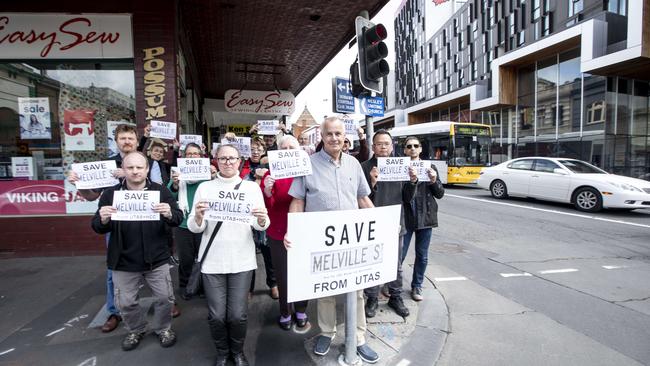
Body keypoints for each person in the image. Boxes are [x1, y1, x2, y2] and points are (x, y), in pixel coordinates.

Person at [286, 116, 379, 363]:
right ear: (322, 137)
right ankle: (327, 332)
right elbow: (297, 200)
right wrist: (292, 230)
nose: (334, 138)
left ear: (344, 136)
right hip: (321, 242)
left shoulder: (354, 165)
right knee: (324, 290)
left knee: (356, 291)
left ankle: (359, 338)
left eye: (338, 134)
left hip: (351, 241)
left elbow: (362, 199)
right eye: (329, 134)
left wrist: (380, 225)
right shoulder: (308, 164)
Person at [91, 152, 183, 351]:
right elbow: (97, 226)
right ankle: (136, 329)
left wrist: (168, 213)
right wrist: (103, 219)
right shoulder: (110, 194)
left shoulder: (160, 192)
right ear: (123, 170)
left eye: (139, 167)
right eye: (130, 167)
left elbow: (177, 218)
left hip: (156, 258)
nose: (135, 171)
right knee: (126, 303)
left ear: (147, 169)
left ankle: (163, 328)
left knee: (164, 298)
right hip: (123, 259)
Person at [188, 144, 270, 366]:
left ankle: (238, 352)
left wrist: (262, 219)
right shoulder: (205, 188)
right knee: (216, 315)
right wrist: (197, 217)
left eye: (232, 158)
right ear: (215, 160)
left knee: (237, 315)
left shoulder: (252, 189)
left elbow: (260, 224)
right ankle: (222, 352)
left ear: (240, 161)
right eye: (223, 158)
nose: (227, 162)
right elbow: (195, 227)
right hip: (212, 261)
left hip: (241, 261)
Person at [67, 123, 138, 333]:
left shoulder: (145, 161)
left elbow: (158, 189)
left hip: (145, 222)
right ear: (116, 141)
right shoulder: (105, 165)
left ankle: (166, 303)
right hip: (115, 224)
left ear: (136, 140)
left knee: (153, 267)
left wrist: (127, 175)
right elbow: (92, 196)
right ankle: (114, 311)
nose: (127, 142)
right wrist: (78, 184)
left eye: (130, 138)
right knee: (113, 268)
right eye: (122, 138)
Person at [362, 130, 417, 319]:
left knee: (396, 265)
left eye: (387, 143)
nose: (383, 147)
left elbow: (407, 198)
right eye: (379, 143)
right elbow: (359, 198)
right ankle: (372, 298)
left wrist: (413, 181)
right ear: (373, 146)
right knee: (372, 262)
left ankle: (396, 296)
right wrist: (372, 182)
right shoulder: (364, 167)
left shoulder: (401, 165)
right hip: (372, 223)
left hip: (395, 222)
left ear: (392, 146)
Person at [261, 135, 309, 331]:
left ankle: (301, 309)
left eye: (292, 147)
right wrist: (266, 190)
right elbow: (267, 207)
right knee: (282, 274)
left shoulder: (306, 172)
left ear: (298, 150)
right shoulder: (270, 175)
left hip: (304, 230)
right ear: (278, 152)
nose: (288, 150)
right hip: (279, 231)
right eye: (284, 148)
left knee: (302, 272)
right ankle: (285, 311)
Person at [168, 143, 217, 299]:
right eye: (189, 154)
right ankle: (185, 285)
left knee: (204, 256)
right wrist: (175, 184)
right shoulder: (177, 174)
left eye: (195, 153)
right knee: (186, 258)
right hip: (183, 223)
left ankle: (202, 286)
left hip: (203, 222)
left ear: (200, 156)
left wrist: (214, 176)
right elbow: (170, 197)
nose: (192, 156)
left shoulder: (207, 174)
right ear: (183, 156)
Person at [401, 136, 444, 301]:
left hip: (426, 217)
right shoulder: (400, 168)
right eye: (409, 146)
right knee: (400, 254)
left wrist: (433, 181)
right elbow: (404, 196)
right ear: (404, 150)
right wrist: (411, 181)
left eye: (416, 146)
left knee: (422, 255)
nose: (412, 148)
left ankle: (417, 286)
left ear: (420, 149)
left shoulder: (430, 167)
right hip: (407, 217)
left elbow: (439, 194)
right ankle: (393, 284)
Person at [239, 136, 277, 300]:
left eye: (258, 149)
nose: (255, 152)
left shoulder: (270, 166)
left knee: (269, 252)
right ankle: (248, 287)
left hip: (266, 215)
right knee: (248, 253)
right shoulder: (241, 166)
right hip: (246, 217)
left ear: (264, 151)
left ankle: (273, 284)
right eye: (252, 149)